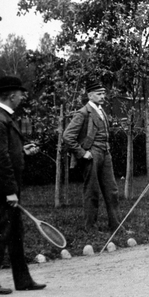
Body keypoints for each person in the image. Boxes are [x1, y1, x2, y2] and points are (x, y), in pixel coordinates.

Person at [0, 75, 45, 295]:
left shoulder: (1, 117)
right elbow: (0, 158)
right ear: (11, 95)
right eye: (20, 93)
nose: (23, 97)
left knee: (16, 233)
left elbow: (6, 151)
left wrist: (22, 151)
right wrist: (10, 191)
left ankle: (23, 280)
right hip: (3, 188)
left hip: (8, 187)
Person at [63, 78, 122, 233]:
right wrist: (82, 153)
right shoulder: (83, 113)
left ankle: (116, 226)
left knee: (112, 191)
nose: (103, 96)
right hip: (92, 155)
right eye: (99, 94)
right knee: (92, 192)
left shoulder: (101, 110)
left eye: (103, 93)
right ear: (90, 95)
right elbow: (67, 136)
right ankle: (91, 229)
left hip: (105, 152)